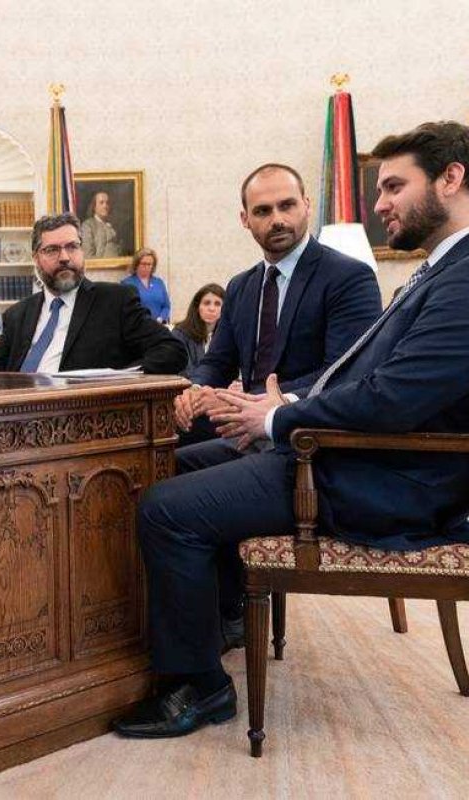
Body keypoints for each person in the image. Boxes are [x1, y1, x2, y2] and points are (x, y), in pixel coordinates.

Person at [113, 121, 469, 740]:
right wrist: (232, 404)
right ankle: (207, 626)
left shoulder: (461, 278)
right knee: (178, 464)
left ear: (452, 178)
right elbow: (361, 378)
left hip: (387, 476)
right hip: (346, 451)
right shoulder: (441, 270)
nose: (379, 203)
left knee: (164, 508)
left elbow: (393, 398)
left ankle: (197, 686)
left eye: (391, 186)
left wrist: (277, 417)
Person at [172, 164, 382, 646]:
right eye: (263, 211)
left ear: (307, 205)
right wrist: (195, 389)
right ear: (245, 219)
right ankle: (220, 608)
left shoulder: (348, 278)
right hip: (248, 434)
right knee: (161, 460)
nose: (278, 219)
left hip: (308, 446)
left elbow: (349, 376)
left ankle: (228, 614)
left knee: (182, 485)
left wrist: (276, 404)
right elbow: (214, 360)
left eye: (287, 205)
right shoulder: (243, 285)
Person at [0, 213, 186, 374]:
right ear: (36, 258)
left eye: (72, 247)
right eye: (52, 250)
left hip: (85, 417)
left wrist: (122, 379)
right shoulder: (17, 314)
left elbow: (171, 350)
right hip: (18, 417)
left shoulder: (115, 301)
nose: (64, 257)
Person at [171, 283, 225, 374]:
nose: (211, 309)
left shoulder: (226, 336)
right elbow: (184, 371)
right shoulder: (179, 334)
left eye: (217, 304)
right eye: (206, 303)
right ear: (197, 307)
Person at [120, 248, 171, 322]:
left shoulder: (159, 282)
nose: (146, 267)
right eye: (143, 264)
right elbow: (127, 310)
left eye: (149, 264)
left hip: (159, 326)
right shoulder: (127, 284)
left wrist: (161, 318)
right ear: (136, 264)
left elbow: (166, 306)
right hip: (138, 327)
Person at [79, 191, 122, 258]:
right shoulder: (87, 226)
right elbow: (88, 255)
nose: (105, 206)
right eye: (101, 203)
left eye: (107, 203)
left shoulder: (114, 226)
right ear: (94, 206)